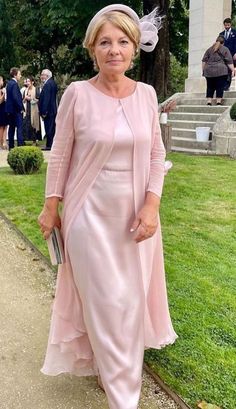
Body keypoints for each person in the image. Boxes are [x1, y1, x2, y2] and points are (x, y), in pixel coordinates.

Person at [38, 5, 177, 409]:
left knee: (129, 305)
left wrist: (151, 207)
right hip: (88, 220)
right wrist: (52, 207)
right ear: (92, 50)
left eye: (122, 42)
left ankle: (112, 372)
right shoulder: (78, 95)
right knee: (102, 304)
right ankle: (124, 399)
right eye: (105, 42)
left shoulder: (147, 95)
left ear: (134, 48)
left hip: (136, 220)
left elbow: (156, 155)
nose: (114, 50)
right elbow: (60, 156)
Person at [202, 36, 234, 106]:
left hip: (209, 71)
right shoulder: (225, 49)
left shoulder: (209, 49)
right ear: (223, 43)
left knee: (210, 86)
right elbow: (229, 61)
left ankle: (209, 102)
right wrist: (233, 70)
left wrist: (203, 70)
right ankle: (218, 102)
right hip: (221, 71)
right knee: (220, 86)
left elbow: (204, 61)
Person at [5, 67, 24, 150]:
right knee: (19, 127)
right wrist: (21, 108)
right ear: (15, 75)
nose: (20, 76)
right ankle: (20, 145)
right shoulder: (14, 84)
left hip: (10, 110)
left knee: (11, 128)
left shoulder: (9, 83)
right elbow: (16, 98)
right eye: (19, 74)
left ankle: (11, 146)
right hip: (16, 110)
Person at [38, 69, 58, 150]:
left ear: (47, 76)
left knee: (49, 128)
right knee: (51, 128)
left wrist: (44, 111)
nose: (41, 76)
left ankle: (49, 145)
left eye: (43, 75)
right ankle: (50, 144)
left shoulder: (48, 84)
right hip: (52, 110)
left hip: (48, 111)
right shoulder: (52, 83)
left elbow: (46, 99)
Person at [23, 76, 41, 145]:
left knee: (34, 125)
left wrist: (31, 99)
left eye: (28, 81)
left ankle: (34, 141)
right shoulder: (25, 90)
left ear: (32, 82)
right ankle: (25, 140)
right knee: (26, 125)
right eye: (26, 81)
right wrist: (25, 98)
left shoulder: (36, 89)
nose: (27, 83)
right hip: (27, 110)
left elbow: (38, 99)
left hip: (34, 110)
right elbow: (23, 100)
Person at [219, 17, 236, 90]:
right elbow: (218, 44)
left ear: (230, 25)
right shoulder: (221, 34)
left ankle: (228, 85)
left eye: (228, 25)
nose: (227, 27)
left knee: (230, 70)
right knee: (225, 69)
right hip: (224, 55)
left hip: (233, 54)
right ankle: (225, 85)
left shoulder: (235, 33)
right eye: (225, 25)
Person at [0, 76, 8, 149]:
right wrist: (3, 94)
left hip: (4, 109)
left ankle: (4, 142)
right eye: (2, 80)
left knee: (5, 126)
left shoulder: (2, 89)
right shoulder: (1, 91)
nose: (3, 82)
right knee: (1, 127)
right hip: (1, 109)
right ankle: (1, 143)